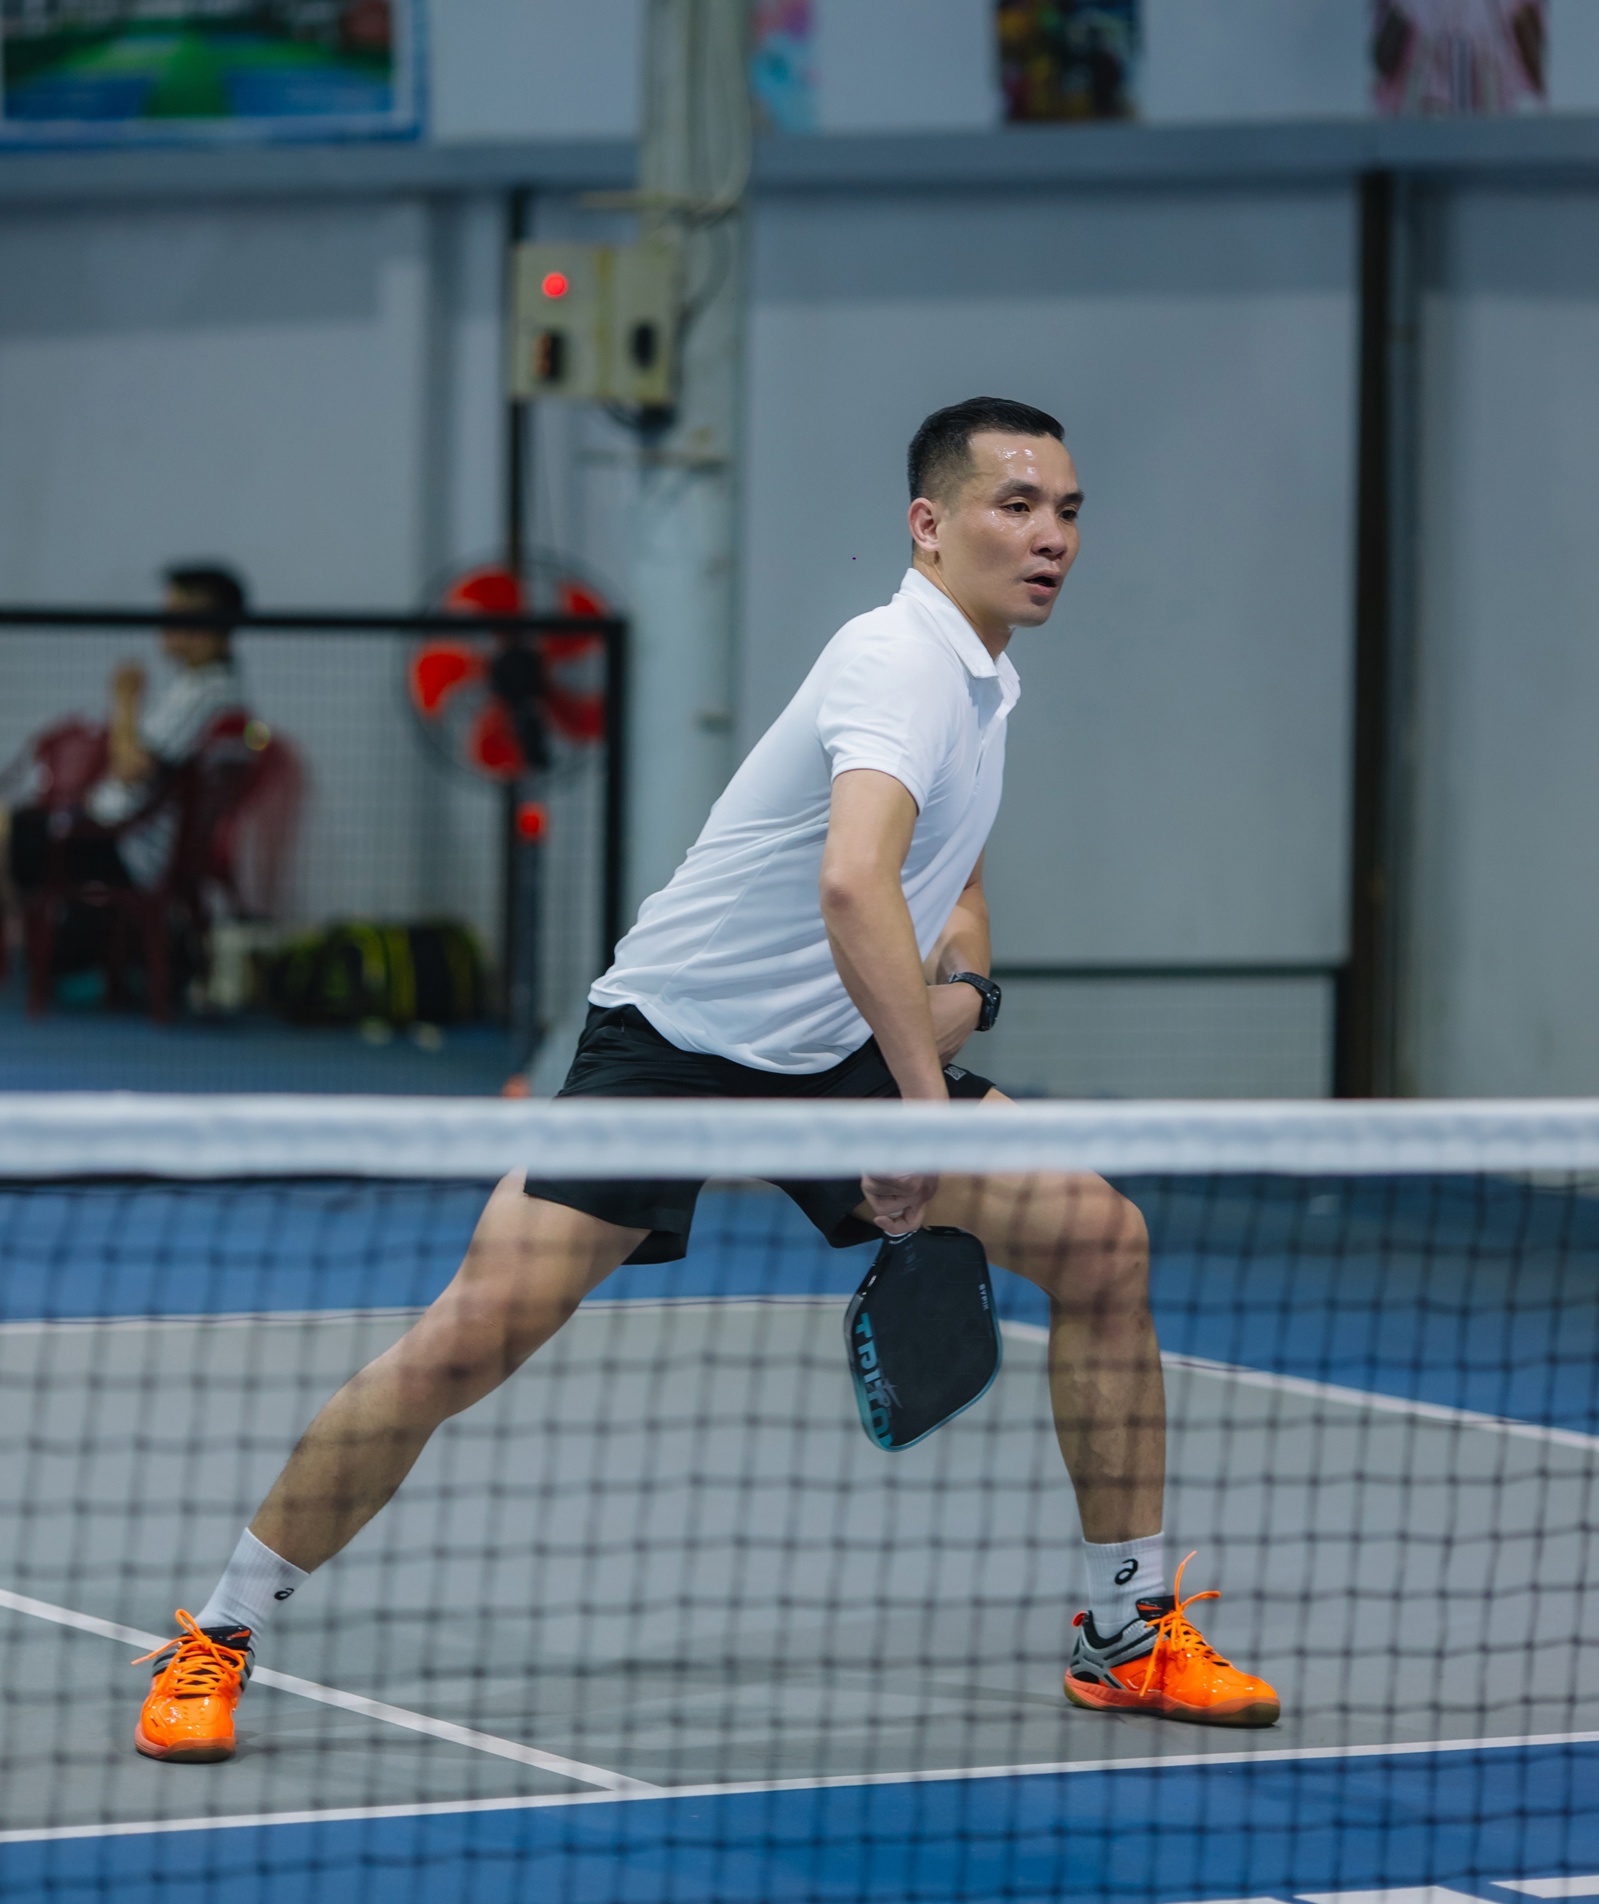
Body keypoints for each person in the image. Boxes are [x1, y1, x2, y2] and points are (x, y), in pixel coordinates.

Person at [133, 401, 1279, 1764]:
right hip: (673, 1046)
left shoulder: (983, 681)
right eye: (1015, 506)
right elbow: (851, 882)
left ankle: (1125, 1634)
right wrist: (921, 1116)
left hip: (837, 1046)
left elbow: (946, 884)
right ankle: (217, 1633)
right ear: (928, 525)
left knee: (1101, 1241)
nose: (1050, 538)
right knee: (467, 1339)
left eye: (1068, 512)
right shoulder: (896, 660)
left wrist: (966, 992)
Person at [3, 563, 248, 905]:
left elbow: (132, 768)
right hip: (111, 835)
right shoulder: (204, 689)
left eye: (174, 614)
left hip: (126, 849)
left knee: (6, 829)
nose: (163, 625)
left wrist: (125, 701)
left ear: (208, 624)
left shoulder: (208, 695)